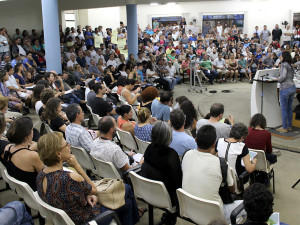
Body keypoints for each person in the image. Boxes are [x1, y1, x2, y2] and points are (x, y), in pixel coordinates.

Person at [37, 131, 140, 225]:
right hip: (88, 220)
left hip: (64, 220)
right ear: (58, 154)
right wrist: (77, 166)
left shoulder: (41, 175)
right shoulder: (70, 177)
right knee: (126, 188)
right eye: (66, 145)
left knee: (127, 204)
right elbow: (94, 190)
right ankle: (136, 216)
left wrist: (86, 196)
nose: (69, 147)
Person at [182, 125, 243, 224]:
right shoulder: (221, 164)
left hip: (189, 209)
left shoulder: (186, 155)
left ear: (196, 140)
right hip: (215, 216)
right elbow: (232, 189)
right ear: (214, 145)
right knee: (248, 205)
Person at [141, 121, 182, 224]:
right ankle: (170, 217)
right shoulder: (171, 154)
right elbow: (177, 183)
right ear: (168, 136)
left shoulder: (149, 148)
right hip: (166, 198)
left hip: (148, 191)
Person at [2, 117, 44, 191]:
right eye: (32, 130)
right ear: (28, 136)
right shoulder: (33, 156)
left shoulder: (8, 148)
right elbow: (46, 178)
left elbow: (20, 154)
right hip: (37, 191)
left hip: (23, 190)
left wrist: (28, 149)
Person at [276, 51, 296, 133]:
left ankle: (284, 127)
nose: (280, 57)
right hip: (292, 87)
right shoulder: (290, 65)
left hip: (285, 88)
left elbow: (283, 76)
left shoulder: (284, 65)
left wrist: (278, 80)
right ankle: (289, 126)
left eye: (281, 56)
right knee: (289, 108)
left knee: (283, 108)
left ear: (284, 57)